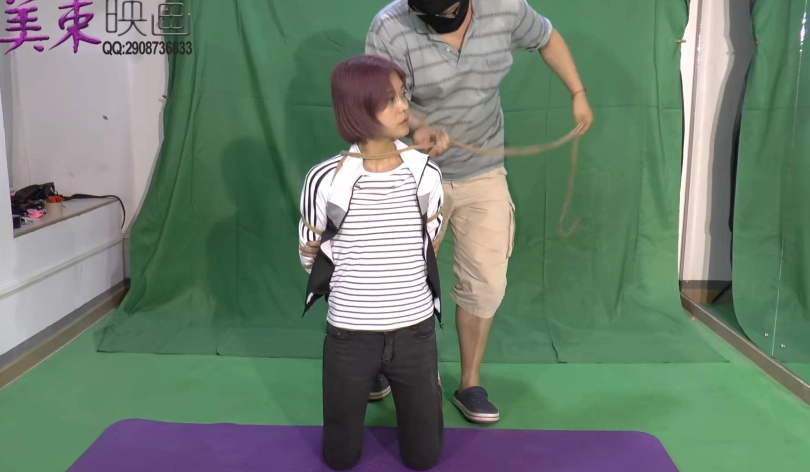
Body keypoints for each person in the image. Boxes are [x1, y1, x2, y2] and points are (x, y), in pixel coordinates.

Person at [301, 0, 594, 424]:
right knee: (394, 278)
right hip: (414, 171)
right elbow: (380, 97)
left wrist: (578, 92)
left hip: (483, 171)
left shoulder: (506, 8)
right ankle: (381, 364)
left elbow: (546, 37)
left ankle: (469, 383)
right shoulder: (389, 25)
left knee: (487, 282)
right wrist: (418, 128)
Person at [298, 55, 445, 471]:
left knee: (425, 458)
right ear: (356, 108)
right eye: (388, 99)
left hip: (415, 332)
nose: (403, 106)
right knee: (339, 458)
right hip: (349, 336)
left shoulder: (425, 173)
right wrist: (357, 294)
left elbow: (432, 242)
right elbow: (310, 252)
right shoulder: (323, 180)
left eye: (402, 95)